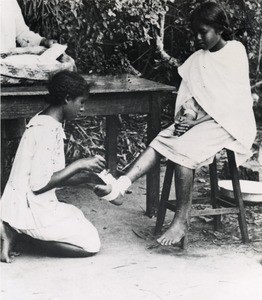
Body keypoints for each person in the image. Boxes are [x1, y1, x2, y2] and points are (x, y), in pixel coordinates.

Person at [94, 2, 256, 246]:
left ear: (220, 29)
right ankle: (121, 186)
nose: (198, 38)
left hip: (228, 122)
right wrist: (187, 117)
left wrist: (195, 121)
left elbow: (229, 102)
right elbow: (191, 98)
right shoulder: (196, 60)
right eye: (195, 33)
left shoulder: (235, 52)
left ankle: (181, 219)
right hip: (201, 121)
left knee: (184, 151)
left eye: (204, 32)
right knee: (161, 139)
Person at [0, 70, 106, 263]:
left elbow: (51, 176)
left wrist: (86, 177)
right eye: (81, 102)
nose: (83, 109)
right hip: (28, 206)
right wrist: (79, 164)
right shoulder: (45, 130)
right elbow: (39, 185)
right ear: (67, 99)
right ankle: (21, 237)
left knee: (77, 217)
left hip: (34, 202)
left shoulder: (50, 121)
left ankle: (15, 230)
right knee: (91, 244)